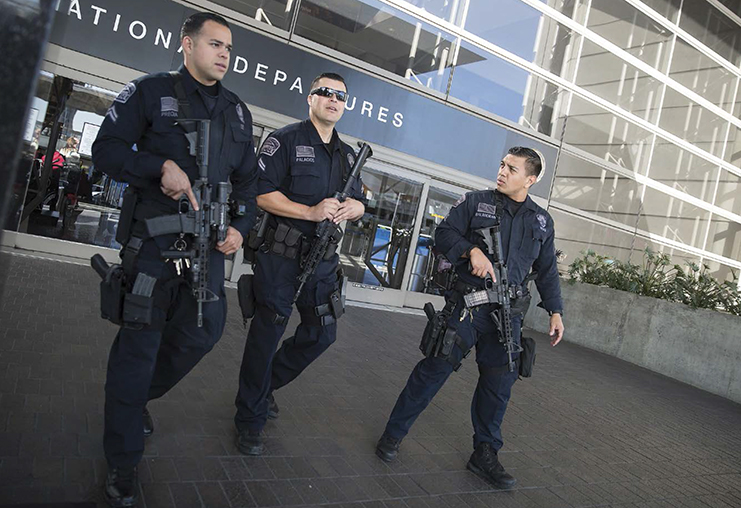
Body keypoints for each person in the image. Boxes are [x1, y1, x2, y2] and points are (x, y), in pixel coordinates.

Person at [91, 12, 257, 507]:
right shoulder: (150, 92)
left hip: (206, 250)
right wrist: (157, 166)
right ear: (187, 45)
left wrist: (240, 228)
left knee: (202, 334)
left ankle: (135, 398)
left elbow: (249, 182)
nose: (225, 53)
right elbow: (106, 150)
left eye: (229, 47)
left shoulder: (238, 112)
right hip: (153, 248)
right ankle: (122, 460)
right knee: (138, 349)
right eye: (215, 44)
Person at [375, 146, 565, 489]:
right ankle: (393, 434)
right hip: (467, 308)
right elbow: (443, 233)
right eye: (502, 165)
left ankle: (485, 455)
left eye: (512, 169)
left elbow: (547, 271)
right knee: (433, 370)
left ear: (531, 180)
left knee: (497, 389)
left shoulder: (541, 221)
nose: (503, 171)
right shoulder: (476, 202)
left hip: (507, 317)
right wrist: (471, 249)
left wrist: (556, 311)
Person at [233, 72, 365, 455]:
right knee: (266, 337)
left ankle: (264, 385)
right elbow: (260, 194)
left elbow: (357, 201)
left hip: (322, 263)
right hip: (281, 258)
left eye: (340, 95)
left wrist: (356, 208)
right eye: (325, 92)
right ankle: (249, 417)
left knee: (322, 334)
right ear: (310, 98)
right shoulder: (284, 140)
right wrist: (309, 211)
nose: (333, 99)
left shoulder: (348, 156)